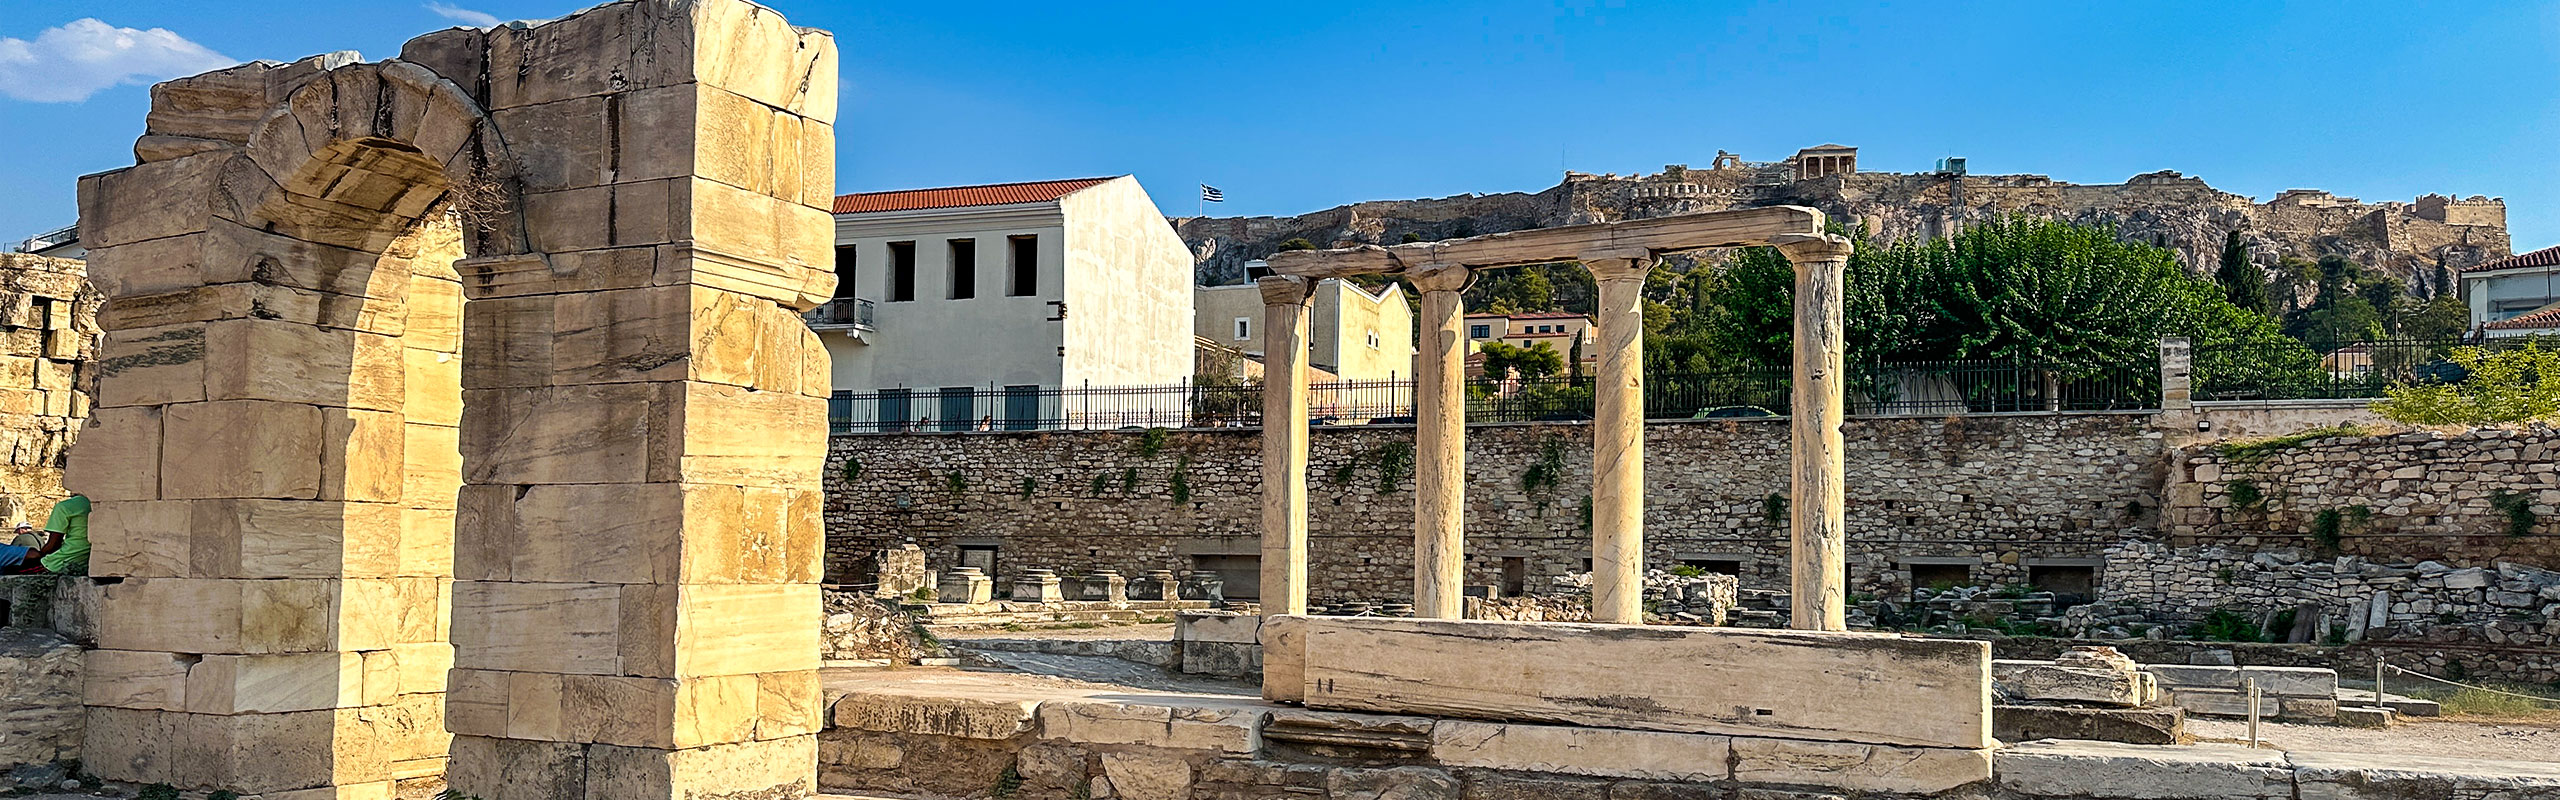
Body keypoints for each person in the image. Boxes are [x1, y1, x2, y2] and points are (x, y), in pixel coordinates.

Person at [2, 494, 86, 576]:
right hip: (84, 560)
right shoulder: (91, 504)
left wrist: (42, 555)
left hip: (60, 563)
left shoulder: (65, 506)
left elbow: (53, 545)